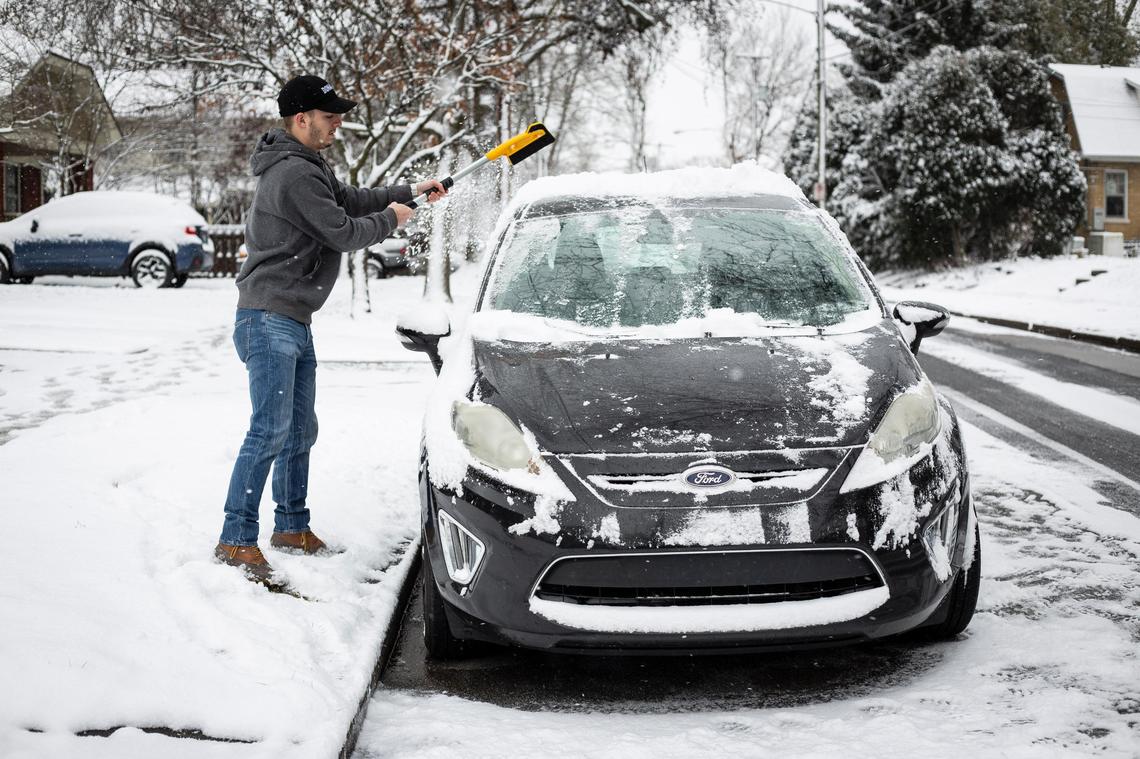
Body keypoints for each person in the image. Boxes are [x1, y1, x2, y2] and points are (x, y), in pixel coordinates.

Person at [215, 74, 447, 588]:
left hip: (291, 318)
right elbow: (342, 231)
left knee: (300, 430)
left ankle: (292, 528)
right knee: (270, 431)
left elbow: (348, 197)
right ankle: (235, 539)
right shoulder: (293, 174)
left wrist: (409, 191)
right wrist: (393, 218)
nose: (338, 125)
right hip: (268, 318)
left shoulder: (308, 166)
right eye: (330, 117)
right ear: (301, 119)